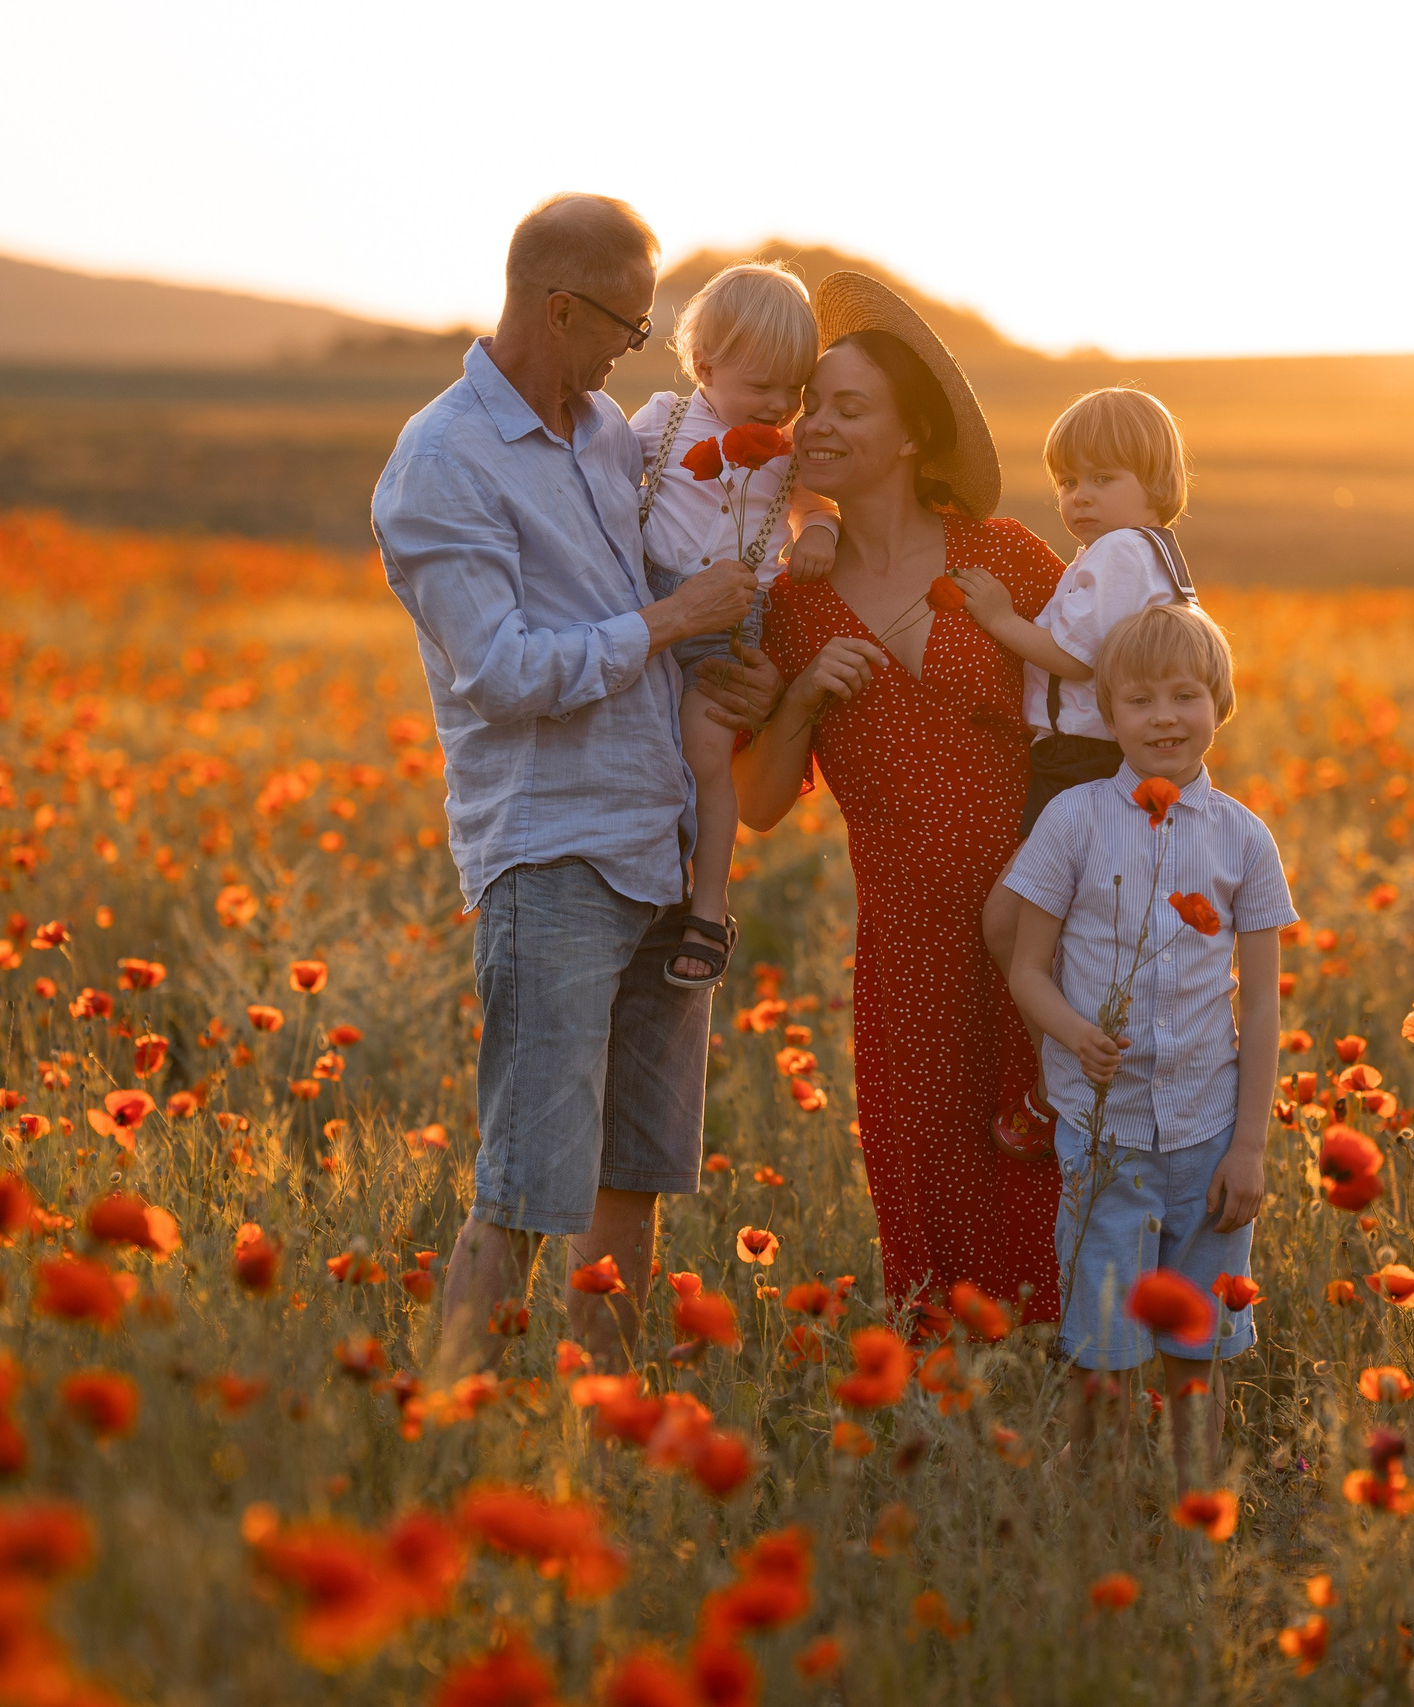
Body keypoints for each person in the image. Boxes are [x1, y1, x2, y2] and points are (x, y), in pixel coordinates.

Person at [371, 193, 773, 1381]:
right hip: (551, 857)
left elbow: (658, 596)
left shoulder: (607, 434)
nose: (632, 352)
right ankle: (454, 1429)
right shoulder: (440, 463)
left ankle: (604, 1435)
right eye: (625, 326)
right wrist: (670, 622)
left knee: (629, 1181)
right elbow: (499, 673)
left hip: (660, 845)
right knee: (527, 1191)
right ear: (559, 308)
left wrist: (728, 667)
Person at [727, 272, 1067, 1331]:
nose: (817, 425)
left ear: (913, 435)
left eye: (849, 408)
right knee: (930, 1182)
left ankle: (1072, 1400)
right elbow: (758, 804)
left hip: (1040, 929)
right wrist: (799, 704)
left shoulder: (1001, 556)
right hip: (908, 948)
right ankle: (959, 1402)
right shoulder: (790, 604)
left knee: (1057, 1168)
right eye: (811, 407)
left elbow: (1110, 701)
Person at [999, 601, 1294, 1474]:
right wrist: (1074, 1033)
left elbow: (1262, 1009)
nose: (1164, 717)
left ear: (1220, 704)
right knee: (1103, 1352)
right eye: (1139, 700)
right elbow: (1026, 969)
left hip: (1206, 1136)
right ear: (1108, 713)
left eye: (1185, 695)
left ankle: (1195, 1505)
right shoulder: (1074, 820)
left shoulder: (1245, 838)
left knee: (1197, 1352)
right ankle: (1101, 1514)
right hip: (1106, 1138)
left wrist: (1248, 1148)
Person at [956, 387, 1197, 1158]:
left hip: (1085, 768)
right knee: (1070, 937)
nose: (1079, 497)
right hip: (1097, 768)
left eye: (1102, 479)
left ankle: (1061, 1083)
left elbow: (1077, 657)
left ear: (1155, 482)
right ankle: (1077, 1080)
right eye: (1067, 481)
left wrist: (999, 619)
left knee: (1010, 922)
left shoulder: (1122, 553)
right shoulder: (1151, 555)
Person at [629, 263, 842, 987]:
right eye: (762, 386)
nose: (779, 405)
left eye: (794, 390)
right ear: (704, 367)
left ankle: (708, 904)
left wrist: (817, 533)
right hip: (651, 604)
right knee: (645, 748)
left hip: (731, 624)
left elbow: (813, 506)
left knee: (708, 749)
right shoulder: (661, 421)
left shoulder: (788, 450)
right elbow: (602, 481)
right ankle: (648, 881)